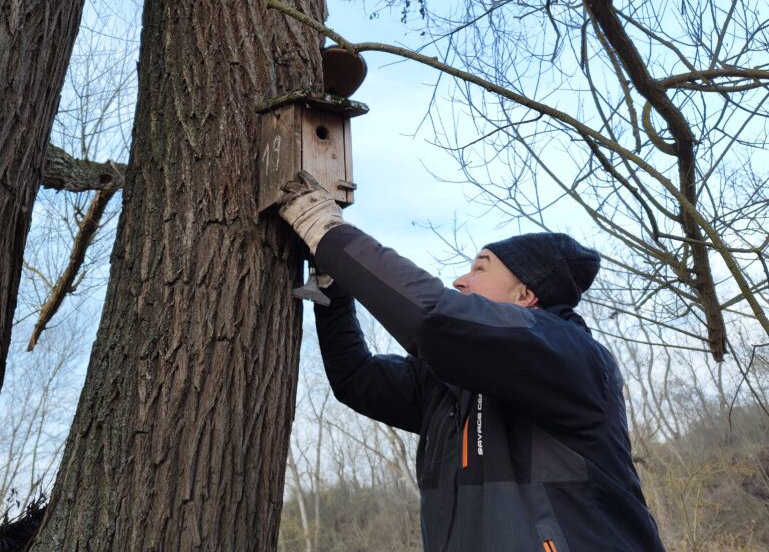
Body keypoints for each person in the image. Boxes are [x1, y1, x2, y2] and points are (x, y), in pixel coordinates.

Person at [277, 171, 666, 552]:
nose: (461, 280)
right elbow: (356, 378)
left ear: (524, 295)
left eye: (480, 268)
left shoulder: (567, 354)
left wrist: (328, 233)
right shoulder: (451, 387)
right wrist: (332, 286)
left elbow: (432, 319)